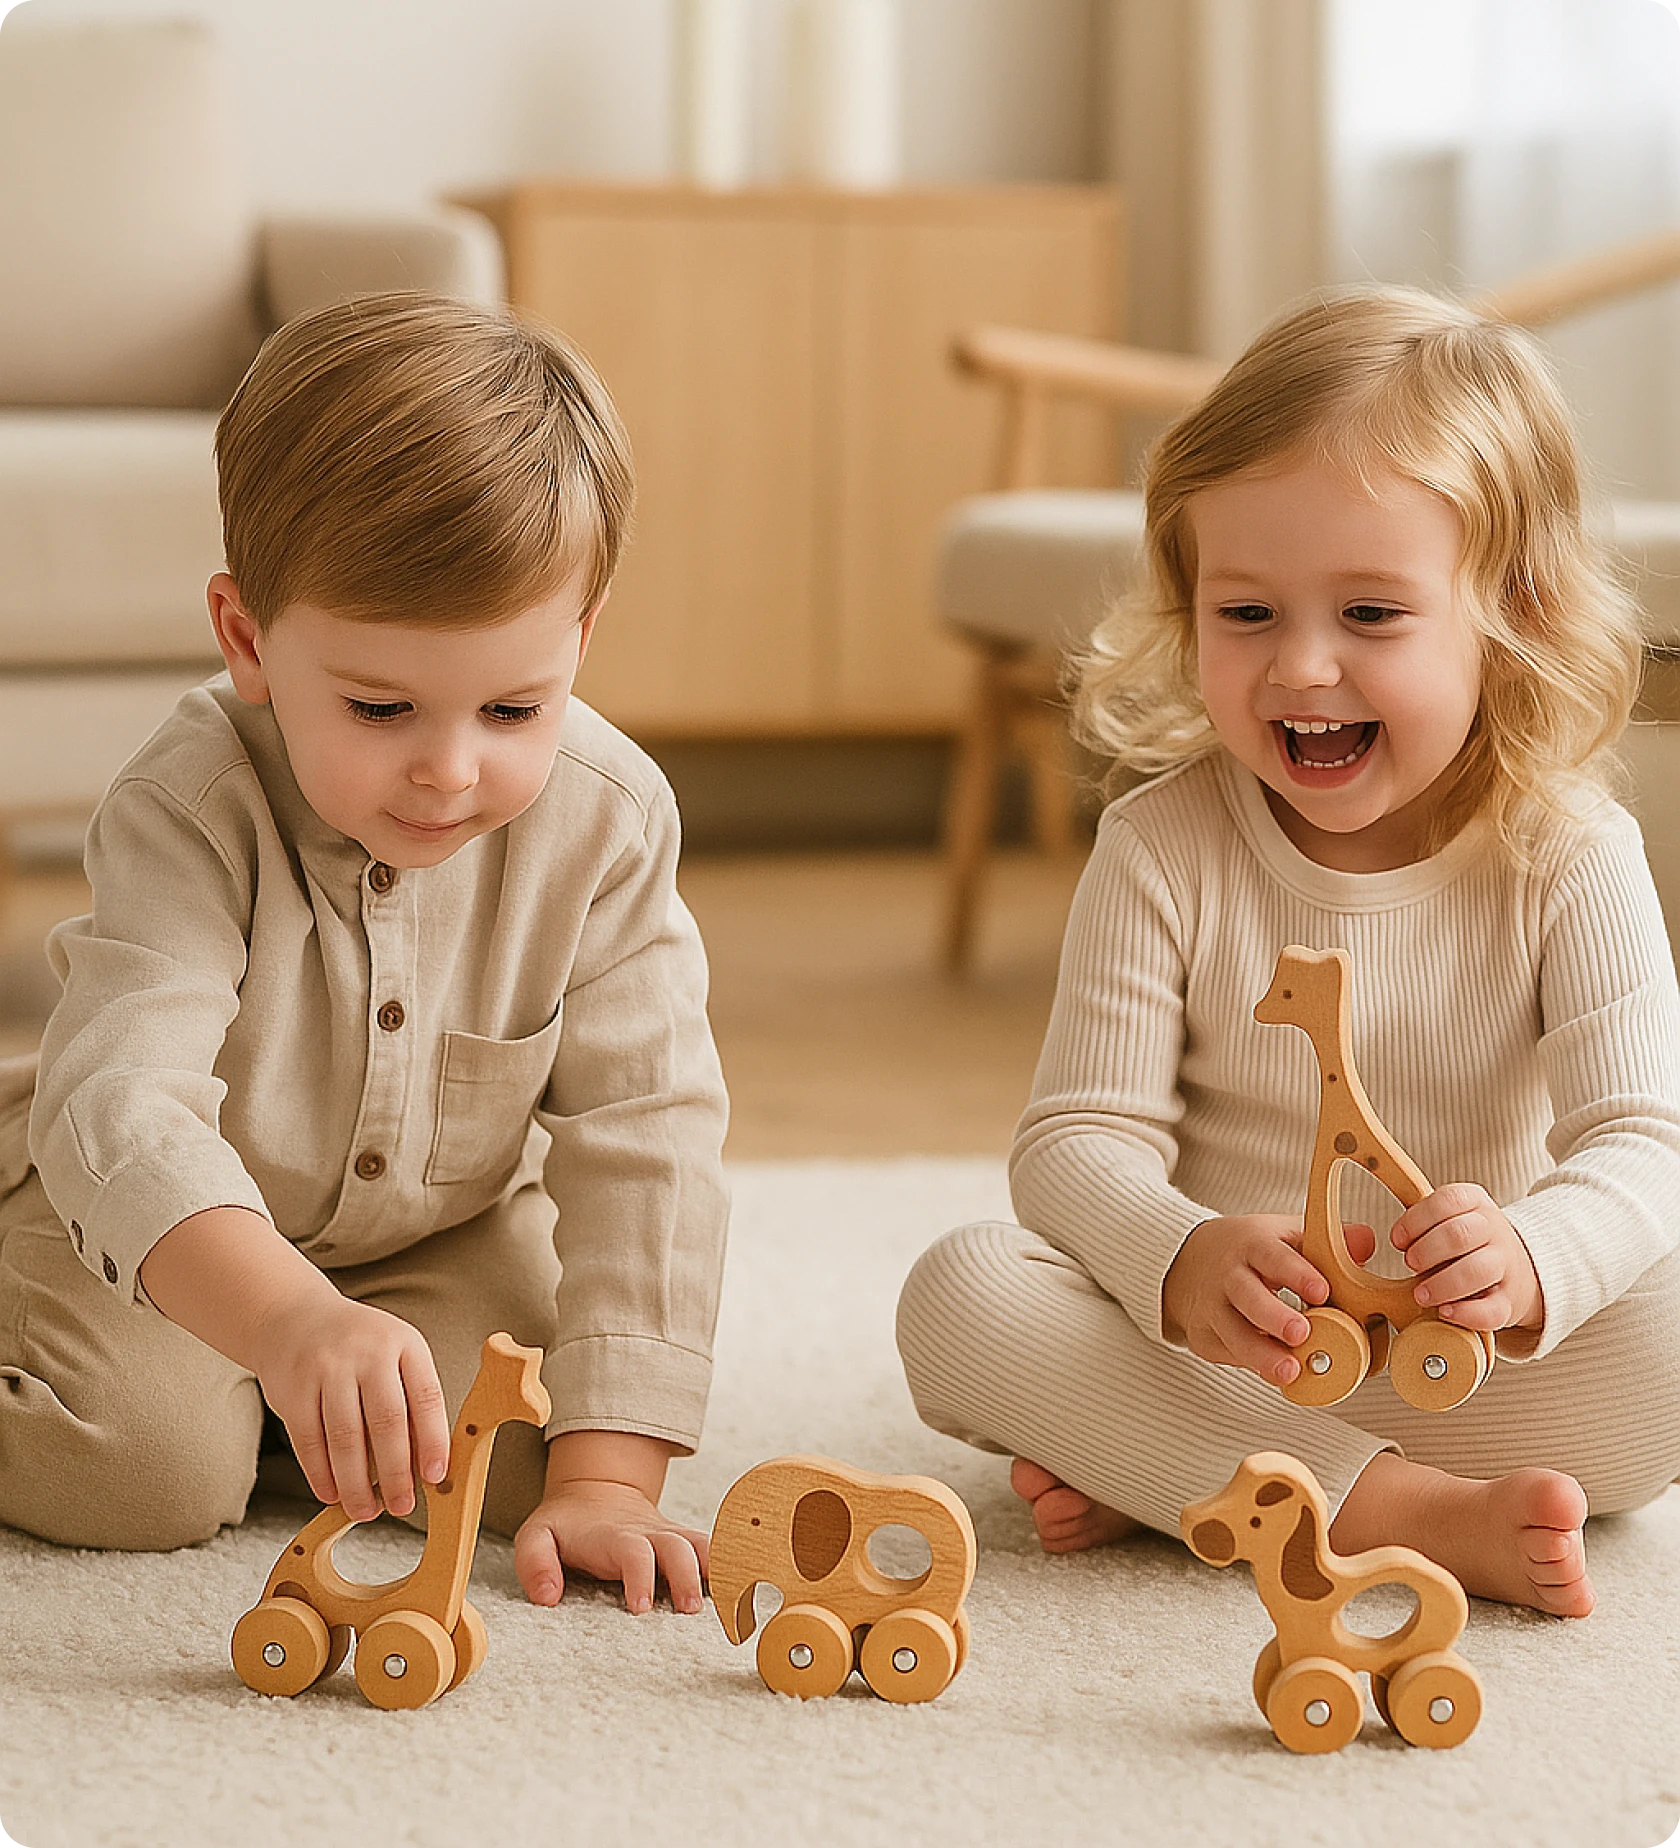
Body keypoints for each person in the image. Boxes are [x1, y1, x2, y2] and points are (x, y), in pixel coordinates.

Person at [897, 286, 1680, 1617]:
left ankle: (1188, 1479)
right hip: (1238, 1348)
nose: (1301, 670)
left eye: (1371, 616)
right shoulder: (1160, 844)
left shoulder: (1572, 852)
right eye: (1246, 615)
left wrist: (1538, 1260)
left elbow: (1646, 1142)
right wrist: (1181, 1254)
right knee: (960, 1294)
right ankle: (1406, 1514)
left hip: (1470, 1359)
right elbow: (1075, 1140)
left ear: (1519, 612)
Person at [0, 293, 730, 1618]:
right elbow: (124, 1107)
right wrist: (285, 1325)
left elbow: (650, 1133)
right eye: (381, 707)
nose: (451, 770)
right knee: (142, 1473)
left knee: (519, 1460)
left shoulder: (612, 821)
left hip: (430, 1236)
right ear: (248, 641)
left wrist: (613, 1483)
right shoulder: (190, 804)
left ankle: (294, 1403)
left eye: (515, 706)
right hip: (158, 1222)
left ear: (582, 639)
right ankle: (233, 1380)